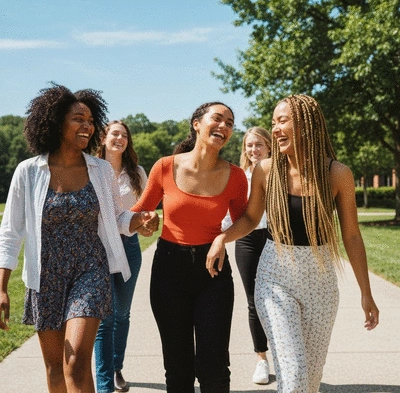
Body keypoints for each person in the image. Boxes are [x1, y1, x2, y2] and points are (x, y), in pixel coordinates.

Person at [206, 94, 379, 393]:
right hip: (276, 280)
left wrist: (366, 293)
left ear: (307, 125)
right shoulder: (266, 170)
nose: (275, 129)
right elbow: (250, 219)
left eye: (282, 121)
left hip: (321, 284)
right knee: (294, 375)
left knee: (309, 381)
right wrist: (223, 237)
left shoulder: (338, 174)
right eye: (273, 123)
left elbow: (351, 235)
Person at [0, 84, 158, 393]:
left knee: (76, 363)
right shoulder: (29, 172)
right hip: (46, 275)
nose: (87, 126)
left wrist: (139, 221)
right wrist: (2, 287)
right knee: (55, 368)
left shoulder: (100, 170)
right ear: (57, 122)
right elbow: (10, 231)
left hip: (91, 269)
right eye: (78, 119)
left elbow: (116, 218)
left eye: (90, 120)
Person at [131, 102, 248, 393]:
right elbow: (137, 214)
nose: (224, 127)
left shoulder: (235, 176)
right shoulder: (165, 167)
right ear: (197, 123)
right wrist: (143, 223)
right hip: (169, 270)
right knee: (178, 366)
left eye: (230, 123)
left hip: (213, 274)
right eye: (217, 119)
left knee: (214, 367)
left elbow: (245, 221)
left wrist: (222, 238)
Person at [94, 120, 148, 393]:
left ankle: (116, 369)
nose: (120, 138)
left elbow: (145, 210)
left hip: (129, 245)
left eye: (124, 135)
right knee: (106, 316)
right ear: (103, 138)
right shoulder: (90, 169)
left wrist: (146, 222)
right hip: (100, 247)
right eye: (115, 133)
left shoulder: (136, 172)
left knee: (122, 313)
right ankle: (103, 383)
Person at [221, 127, 272, 385]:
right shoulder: (241, 176)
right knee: (254, 302)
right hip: (248, 240)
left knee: (278, 301)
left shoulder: (279, 173)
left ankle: (285, 357)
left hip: (276, 239)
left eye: (259, 144)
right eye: (249, 145)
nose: (254, 150)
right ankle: (261, 359)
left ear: (269, 146)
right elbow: (231, 214)